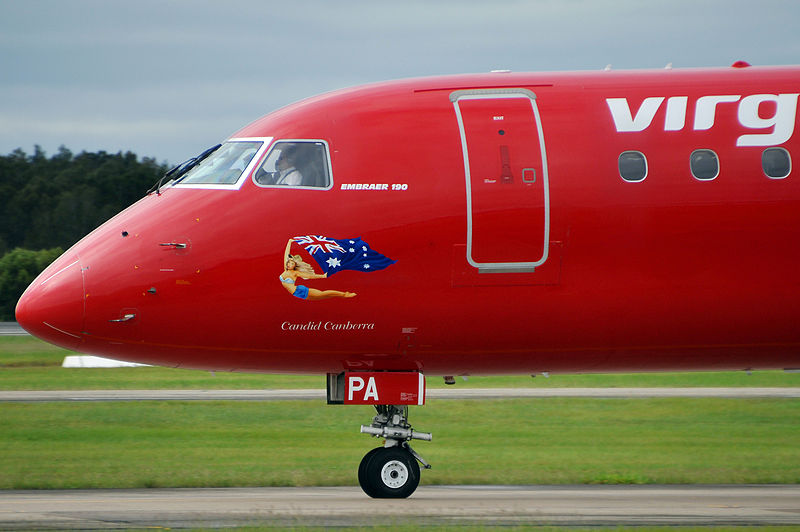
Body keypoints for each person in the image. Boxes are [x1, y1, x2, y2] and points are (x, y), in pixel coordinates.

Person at [279, 239, 356, 300]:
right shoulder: (286, 269)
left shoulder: (295, 273)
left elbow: (310, 276)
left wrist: (322, 276)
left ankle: (344, 294)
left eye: (292, 264)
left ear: (295, 266)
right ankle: (342, 295)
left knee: (322, 294)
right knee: (323, 296)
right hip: (296, 293)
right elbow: (286, 254)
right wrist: (289, 242)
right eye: (289, 263)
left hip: (299, 291)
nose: (289, 264)